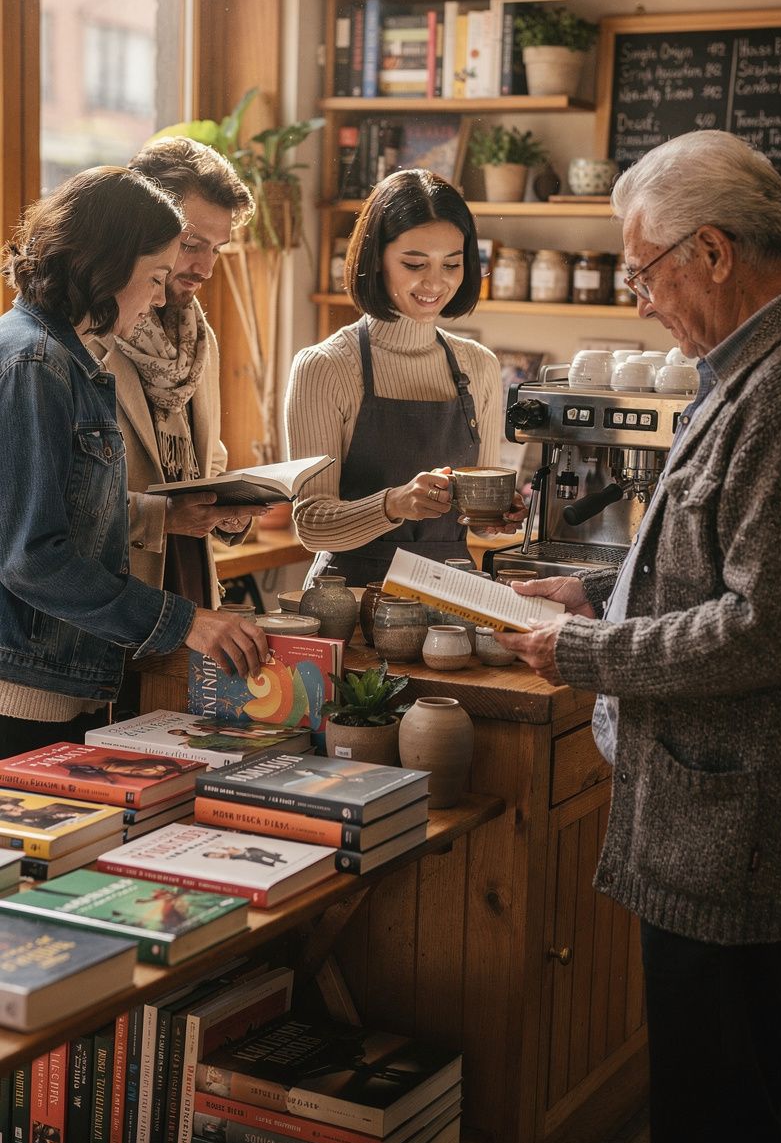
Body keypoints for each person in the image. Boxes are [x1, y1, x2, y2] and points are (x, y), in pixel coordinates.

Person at [495, 130, 781, 1143]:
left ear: (713, 253)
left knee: (718, 1131)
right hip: (718, 811)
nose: (638, 301)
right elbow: (716, 567)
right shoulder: (751, 364)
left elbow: (771, 624)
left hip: (735, 823)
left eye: (643, 271)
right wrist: (601, 598)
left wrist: (588, 651)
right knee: (761, 1086)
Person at [0, 166, 269, 756]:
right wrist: (185, 621)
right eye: (154, 278)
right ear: (108, 265)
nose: (158, 297)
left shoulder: (63, 359)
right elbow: (32, 559)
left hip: (63, 673)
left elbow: (74, 516)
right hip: (26, 692)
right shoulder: (36, 364)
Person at [284, 168, 506, 587]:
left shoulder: (479, 366)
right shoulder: (326, 366)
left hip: (451, 595)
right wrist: (394, 504)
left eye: (452, 264)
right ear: (375, 260)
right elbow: (312, 525)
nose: (435, 282)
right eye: (414, 263)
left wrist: (494, 516)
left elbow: (477, 521)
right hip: (350, 598)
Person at [90, 137, 260, 610]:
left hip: (190, 588)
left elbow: (208, 459)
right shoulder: (83, 340)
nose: (205, 268)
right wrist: (163, 516)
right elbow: (59, 504)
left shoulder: (198, 339)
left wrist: (228, 509)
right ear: (140, 229)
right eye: (190, 245)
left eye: (217, 250)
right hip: (114, 602)